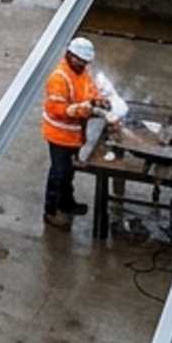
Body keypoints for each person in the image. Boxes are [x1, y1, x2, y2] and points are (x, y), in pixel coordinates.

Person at [40, 35, 119, 227]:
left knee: (68, 173)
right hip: (59, 136)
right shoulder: (59, 78)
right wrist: (87, 108)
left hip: (74, 136)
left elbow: (91, 91)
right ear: (70, 55)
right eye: (80, 60)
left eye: (85, 61)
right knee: (58, 174)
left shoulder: (81, 73)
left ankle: (67, 203)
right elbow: (60, 110)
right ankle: (50, 212)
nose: (83, 64)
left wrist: (99, 102)